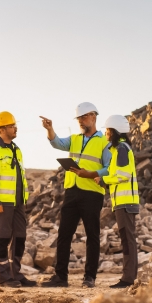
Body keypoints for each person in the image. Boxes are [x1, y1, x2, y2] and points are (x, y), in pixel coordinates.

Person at [39, 102, 111, 288]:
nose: (81, 121)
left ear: (94, 117)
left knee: (92, 236)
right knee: (64, 234)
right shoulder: (75, 139)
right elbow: (56, 143)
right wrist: (50, 129)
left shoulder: (104, 142)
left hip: (92, 193)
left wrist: (93, 174)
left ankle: (89, 277)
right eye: (79, 118)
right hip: (72, 191)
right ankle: (60, 277)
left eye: (84, 117)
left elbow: (109, 168)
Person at [0, 111, 36, 288]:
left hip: (18, 202)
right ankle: (4, 277)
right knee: (3, 237)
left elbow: (20, 175)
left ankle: (16, 274)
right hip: (3, 202)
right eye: (12, 126)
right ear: (2, 129)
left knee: (20, 237)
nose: (15, 128)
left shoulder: (16, 149)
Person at [95, 115, 140, 288]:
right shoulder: (119, 149)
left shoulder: (121, 149)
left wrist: (105, 180)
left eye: (107, 131)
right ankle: (129, 277)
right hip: (123, 202)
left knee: (128, 240)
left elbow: (122, 175)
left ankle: (128, 279)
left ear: (113, 131)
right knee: (127, 239)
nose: (105, 134)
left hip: (126, 202)